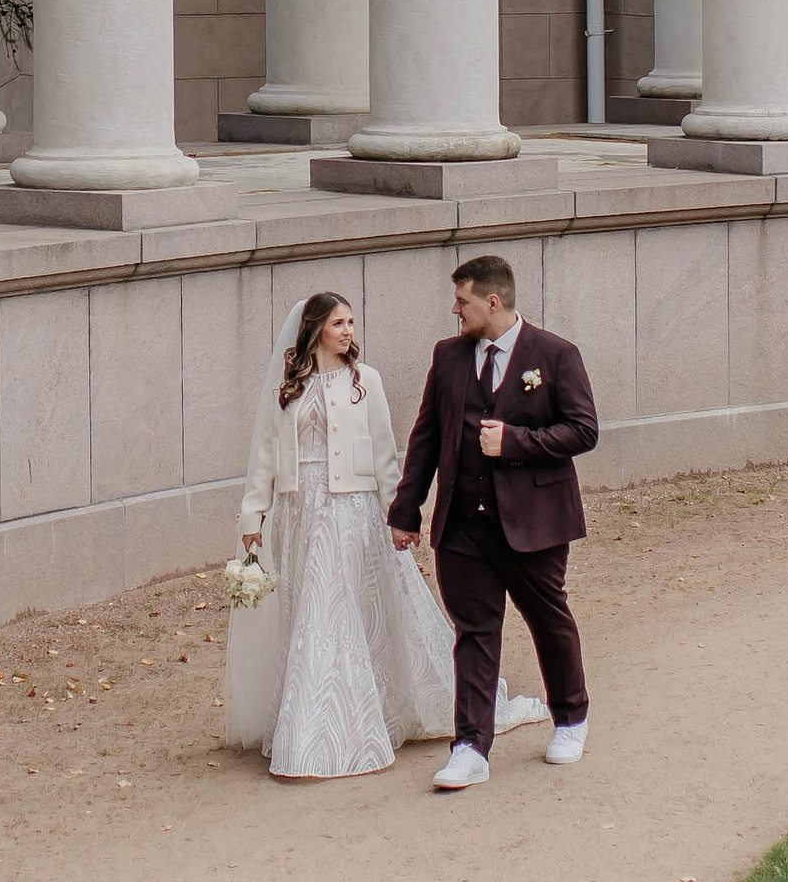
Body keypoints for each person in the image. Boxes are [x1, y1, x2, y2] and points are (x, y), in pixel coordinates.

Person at [225, 290, 464, 779]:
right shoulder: (286, 390)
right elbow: (265, 459)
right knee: (310, 611)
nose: (348, 331)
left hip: (351, 512)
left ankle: (347, 729)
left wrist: (399, 515)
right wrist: (254, 517)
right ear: (316, 329)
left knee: (339, 610)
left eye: (352, 322)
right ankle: (309, 727)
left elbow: (384, 455)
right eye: (339, 323)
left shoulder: (365, 381)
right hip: (300, 514)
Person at [388, 251, 598, 794]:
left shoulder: (555, 355)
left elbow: (582, 430)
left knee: (548, 619)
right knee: (474, 634)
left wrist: (516, 443)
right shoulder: (449, 356)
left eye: (462, 301)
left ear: (492, 301)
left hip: (534, 522)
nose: (455, 311)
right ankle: (470, 748)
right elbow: (426, 437)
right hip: (462, 526)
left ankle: (571, 717)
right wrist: (406, 511)